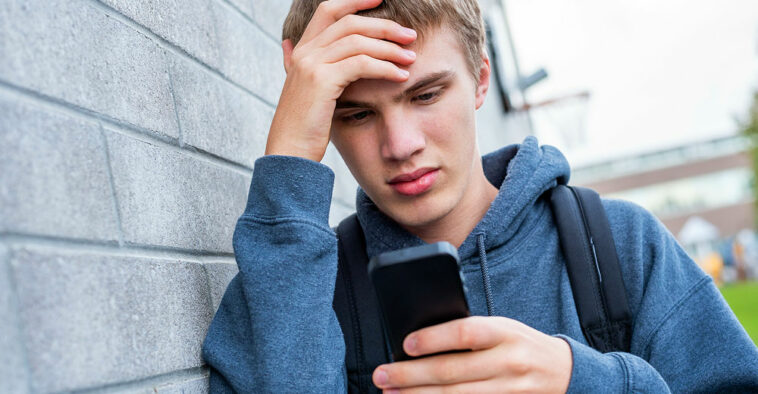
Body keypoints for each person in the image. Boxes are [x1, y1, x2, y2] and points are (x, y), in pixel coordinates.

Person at [201, 0, 758, 392]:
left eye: (426, 94)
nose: (400, 145)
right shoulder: (293, 283)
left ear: (482, 79)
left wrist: (581, 379)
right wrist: (290, 161)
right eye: (357, 114)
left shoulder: (618, 244)